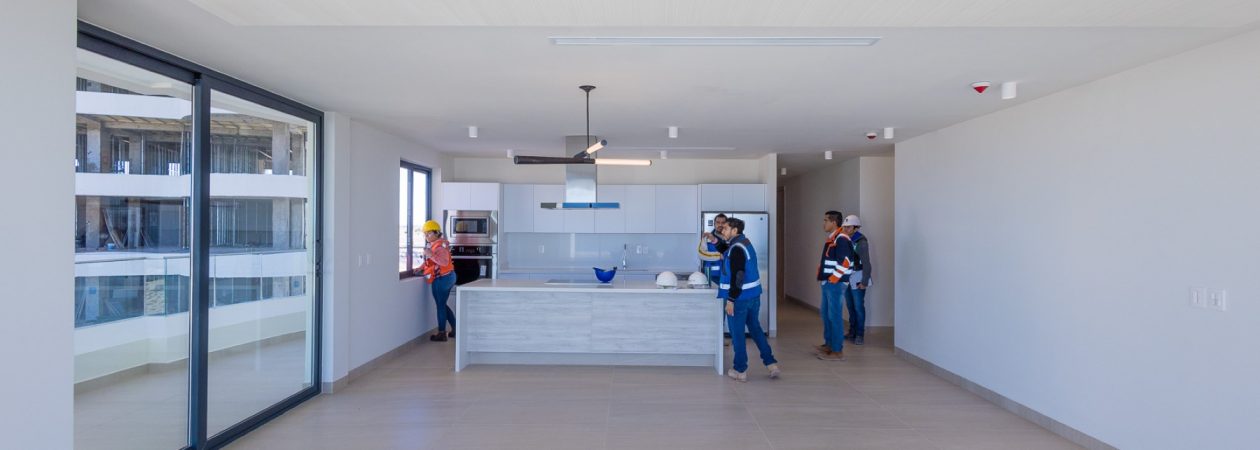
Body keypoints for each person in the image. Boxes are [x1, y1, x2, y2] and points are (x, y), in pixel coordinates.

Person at [719, 217, 780, 381]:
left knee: (737, 334)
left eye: (725, 228)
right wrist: (714, 240)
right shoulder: (744, 243)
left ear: (734, 230)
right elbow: (727, 251)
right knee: (756, 329)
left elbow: (738, 275)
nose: (722, 230)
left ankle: (740, 370)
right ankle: (771, 364)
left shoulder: (736, 248)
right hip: (753, 296)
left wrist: (731, 299)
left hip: (739, 299)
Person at [815, 211, 855, 361]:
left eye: (826, 220)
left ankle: (837, 351)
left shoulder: (841, 239)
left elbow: (845, 262)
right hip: (828, 283)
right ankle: (829, 345)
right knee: (826, 314)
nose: (823, 223)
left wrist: (833, 278)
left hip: (835, 284)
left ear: (834, 222)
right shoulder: (833, 238)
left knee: (834, 316)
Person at [417, 220, 457, 342]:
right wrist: (420, 268)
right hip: (447, 276)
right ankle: (456, 329)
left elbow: (443, 262)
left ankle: (442, 333)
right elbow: (431, 262)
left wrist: (430, 254)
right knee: (442, 304)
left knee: (440, 305)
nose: (426, 236)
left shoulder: (439, 247)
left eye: (429, 233)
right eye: (425, 234)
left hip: (443, 278)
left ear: (436, 233)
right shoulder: (436, 245)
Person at [842, 215, 872, 346]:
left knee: (858, 306)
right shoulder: (845, 239)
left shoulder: (861, 242)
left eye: (848, 227)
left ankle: (860, 334)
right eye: (845, 227)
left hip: (858, 276)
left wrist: (864, 281)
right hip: (847, 276)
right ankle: (852, 331)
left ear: (856, 228)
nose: (845, 229)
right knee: (850, 306)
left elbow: (866, 263)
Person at [698, 213, 729, 285]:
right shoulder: (707, 237)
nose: (720, 225)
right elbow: (701, 254)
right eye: (718, 222)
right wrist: (718, 255)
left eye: (723, 223)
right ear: (714, 224)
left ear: (726, 224)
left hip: (728, 275)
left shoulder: (730, 238)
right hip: (711, 276)